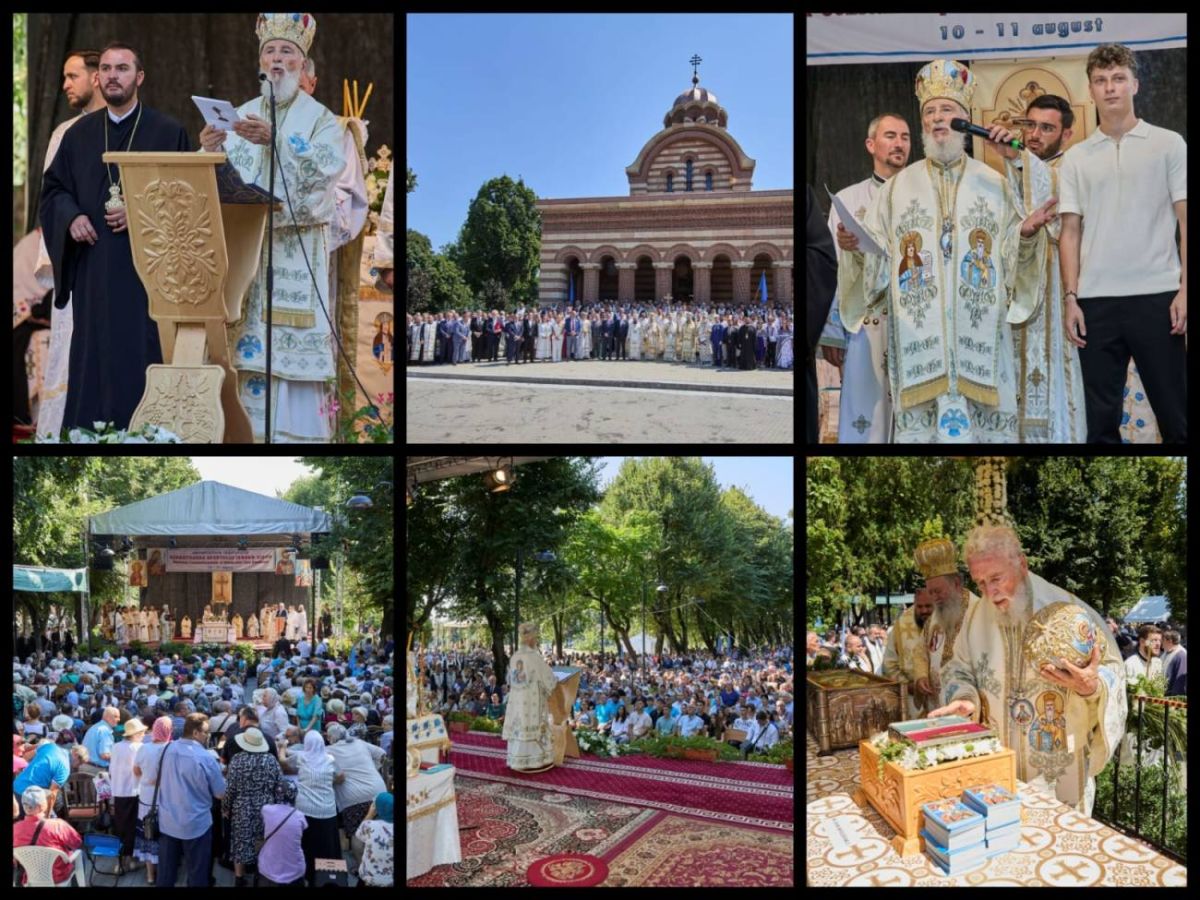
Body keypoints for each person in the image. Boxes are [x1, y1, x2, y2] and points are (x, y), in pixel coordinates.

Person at [836, 59, 1056, 442]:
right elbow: (877, 262)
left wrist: (1024, 234)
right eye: (930, 111)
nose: (938, 118)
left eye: (948, 110)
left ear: (965, 120)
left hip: (982, 347)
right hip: (919, 349)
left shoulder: (995, 184)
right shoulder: (895, 191)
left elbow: (1012, 257)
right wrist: (855, 249)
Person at [38, 43, 192, 431]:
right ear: (98, 78)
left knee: (140, 354)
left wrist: (140, 213)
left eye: (122, 69)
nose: (112, 76)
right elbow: (53, 191)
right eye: (105, 69)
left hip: (148, 275)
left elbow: (188, 198)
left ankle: (144, 435)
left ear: (139, 77)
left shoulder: (168, 132)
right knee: (94, 355)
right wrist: (71, 217)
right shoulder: (77, 135)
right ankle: (88, 438)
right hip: (94, 268)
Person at [928, 524, 1126, 816]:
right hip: (996, 771)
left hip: (1059, 776)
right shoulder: (975, 619)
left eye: (996, 578)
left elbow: (1112, 671)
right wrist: (965, 698)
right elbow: (959, 667)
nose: (989, 592)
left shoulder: (1069, 612)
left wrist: (1092, 687)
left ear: (1021, 563)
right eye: (980, 582)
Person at [207, 14, 342, 441]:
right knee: (246, 357)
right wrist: (209, 150)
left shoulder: (321, 119)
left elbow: (325, 178)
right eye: (270, 51)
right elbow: (217, 185)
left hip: (294, 254)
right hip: (245, 255)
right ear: (261, 62)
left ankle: (293, 440)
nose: (278, 59)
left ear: (302, 64)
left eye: (287, 51)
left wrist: (277, 141)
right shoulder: (240, 114)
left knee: (289, 363)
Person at [1059, 44, 1187, 443]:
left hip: (1158, 296)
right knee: (1100, 426)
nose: (1110, 87)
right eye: (1101, 80)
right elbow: (1069, 232)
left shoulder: (1169, 144)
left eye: (1118, 78)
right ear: (1090, 91)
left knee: (1178, 419)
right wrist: (1071, 298)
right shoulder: (1076, 158)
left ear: (1135, 84)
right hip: (1095, 303)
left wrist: (1185, 289)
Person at [1001, 93, 1088, 443]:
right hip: (1016, 292)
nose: (1035, 135)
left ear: (1067, 134)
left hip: (1059, 288)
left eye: (1047, 128)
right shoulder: (1009, 173)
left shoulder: (1075, 169)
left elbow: (1055, 205)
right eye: (1030, 125)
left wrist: (1016, 157)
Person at [818, 113, 911, 441]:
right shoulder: (848, 200)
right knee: (865, 420)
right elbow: (831, 270)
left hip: (914, 325)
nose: (899, 143)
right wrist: (833, 333)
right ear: (871, 145)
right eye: (890, 136)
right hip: (865, 326)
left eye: (905, 137)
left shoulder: (924, 198)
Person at [143, 713, 226, 886]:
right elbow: (220, 793)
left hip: (168, 821)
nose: (207, 736)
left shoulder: (164, 750)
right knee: (197, 874)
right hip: (196, 823)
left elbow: (152, 779)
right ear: (195, 733)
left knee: (166, 874)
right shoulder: (206, 758)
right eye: (206, 732)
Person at [911, 538, 981, 708]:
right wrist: (921, 676)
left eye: (938, 591)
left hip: (968, 705)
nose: (934, 598)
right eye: (930, 592)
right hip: (937, 704)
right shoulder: (934, 618)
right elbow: (920, 652)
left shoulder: (978, 613)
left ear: (956, 584)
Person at [223, 727, 297, 886]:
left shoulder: (237, 760)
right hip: (266, 807)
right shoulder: (271, 760)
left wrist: (225, 807)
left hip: (242, 806)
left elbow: (230, 788)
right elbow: (279, 785)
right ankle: (261, 875)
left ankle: (239, 878)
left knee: (240, 842)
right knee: (264, 841)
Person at [502, 622, 558, 772]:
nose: (536, 641)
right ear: (531, 638)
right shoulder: (534, 657)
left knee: (519, 726)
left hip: (517, 700)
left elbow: (510, 680)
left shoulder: (515, 656)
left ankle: (517, 759)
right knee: (533, 726)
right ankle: (534, 760)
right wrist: (554, 682)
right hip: (532, 701)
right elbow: (548, 679)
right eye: (536, 638)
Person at [325, 723, 386, 840]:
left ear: (330, 737)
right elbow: (382, 754)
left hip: (354, 799)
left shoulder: (328, 751)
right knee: (381, 834)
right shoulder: (359, 743)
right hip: (378, 792)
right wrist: (373, 768)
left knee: (358, 836)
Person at [13, 786, 83, 886]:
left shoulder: (15, 828)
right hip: (58, 877)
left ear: (24, 806)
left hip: (31, 877)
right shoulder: (57, 825)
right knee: (79, 855)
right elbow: (77, 842)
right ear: (42, 805)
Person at [882, 587, 935, 718]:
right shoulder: (901, 626)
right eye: (920, 606)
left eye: (928, 606)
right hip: (912, 701)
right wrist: (908, 686)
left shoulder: (946, 622)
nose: (924, 611)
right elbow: (889, 665)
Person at [109, 716, 147, 873]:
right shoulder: (139, 747)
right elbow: (141, 770)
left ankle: (120, 862)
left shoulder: (116, 746)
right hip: (134, 790)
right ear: (136, 734)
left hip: (118, 790)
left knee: (121, 826)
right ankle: (130, 860)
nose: (144, 734)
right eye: (142, 732)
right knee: (132, 827)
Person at [354, 792, 393, 887]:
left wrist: (370, 814)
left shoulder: (370, 825)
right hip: (389, 881)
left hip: (368, 879)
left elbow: (359, 834)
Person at [1162, 630, 1187, 696]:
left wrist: (1174, 698)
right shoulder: (1166, 652)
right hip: (1163, 693)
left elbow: (1180, 682)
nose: (1161, 642)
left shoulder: (1181, 655)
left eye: (1163, 640)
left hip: (1171, 696)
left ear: (1169, 641)